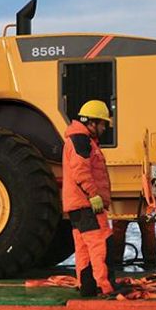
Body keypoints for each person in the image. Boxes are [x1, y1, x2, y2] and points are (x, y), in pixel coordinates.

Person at [62, 99, 121, 296]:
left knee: (83, 247)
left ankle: (87, 288)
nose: (104, 128)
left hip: (77, 204)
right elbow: (81, 171)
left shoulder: (81, 139)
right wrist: (94, 195)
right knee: (101, 243)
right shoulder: (81, 140)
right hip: (87, 204)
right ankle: (104, 287)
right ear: (92, 122)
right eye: (103, 123)